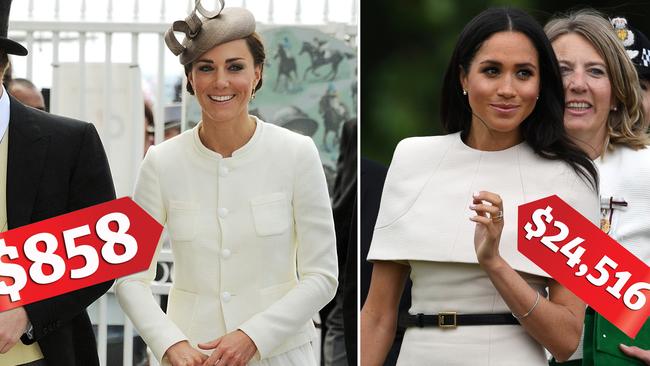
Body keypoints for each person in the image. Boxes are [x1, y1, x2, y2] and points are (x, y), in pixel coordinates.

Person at [360, 7, 600, 365]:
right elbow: (377, 316)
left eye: (524, 73)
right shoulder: (412, 157)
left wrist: (495, 263)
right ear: (463, 78)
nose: (507, 89)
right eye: (491, 71)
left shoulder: (569, 177)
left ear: (540, 85)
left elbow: (567, 341)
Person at [115, 2, 338, 366]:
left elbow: (322, 276)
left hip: (280, 355)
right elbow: (129, 276)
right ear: (190, 78)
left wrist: (253, 337)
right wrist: (171, 344)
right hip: (191, 357)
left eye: (235, 67)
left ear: (257, 74)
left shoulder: (297, 153)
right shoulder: (161, 161)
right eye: (206, 68)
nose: (220, 81)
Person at [0, 1, 116, 365]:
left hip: (39, 355)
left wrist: (28, 311)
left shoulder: (69, 141)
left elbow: (102, 249)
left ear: (1, 63)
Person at [545, 9, 650, 365]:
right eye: (561, 70)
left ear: (618, 92)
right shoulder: (507, 168)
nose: (578, 84)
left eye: (596, 71)